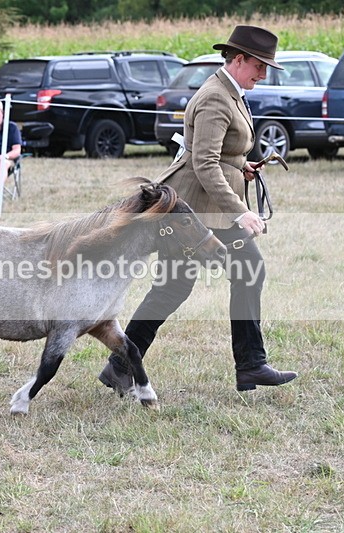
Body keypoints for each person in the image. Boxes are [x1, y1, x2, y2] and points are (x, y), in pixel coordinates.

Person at [98, 25, 298, 394]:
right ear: (238, 59)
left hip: (201, 208)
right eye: (259, 65)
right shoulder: (215, 98)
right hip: (196, 210)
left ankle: (120, 367)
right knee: (248, 270)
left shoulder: (231, 92)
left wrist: (242, 167)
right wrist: (241, 211)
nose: (263, 73)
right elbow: (204, 164)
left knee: (173, 287)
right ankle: (251, 366)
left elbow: (221, 155)